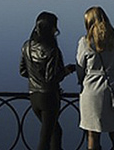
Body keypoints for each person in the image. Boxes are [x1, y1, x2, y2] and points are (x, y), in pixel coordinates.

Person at [20, 11, 76, 150]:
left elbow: (22, 71)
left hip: (33, 96)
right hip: (49, 98)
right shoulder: (52, 50)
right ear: (50, 28)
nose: (57, 30)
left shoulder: (26, 46)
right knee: (47, 137)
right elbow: (51, 78)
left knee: (55, 132)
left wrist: (36, 77)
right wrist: (67, 71)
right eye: (55, 27)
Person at [76, 6, 114, 150]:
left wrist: (82, 83)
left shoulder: (85, 42)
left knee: (93, 136)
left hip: (91, 93)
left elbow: (80, 68)